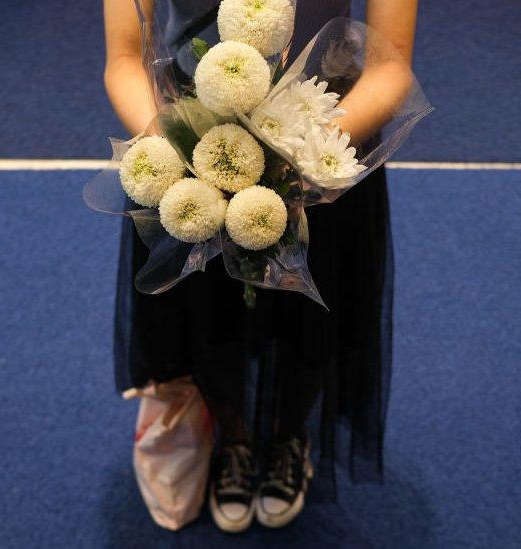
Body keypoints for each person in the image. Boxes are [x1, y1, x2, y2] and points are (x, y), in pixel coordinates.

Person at [103, 0, 419, 533]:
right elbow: (125, 57)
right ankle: (233, 437)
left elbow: (392, 65)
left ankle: (289, 433)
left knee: (309, 318)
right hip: (192, 152)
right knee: (208, 314)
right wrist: (179, 150)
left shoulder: (314, 150)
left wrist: (295, 156)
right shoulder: (186, 150)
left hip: (322, 147)